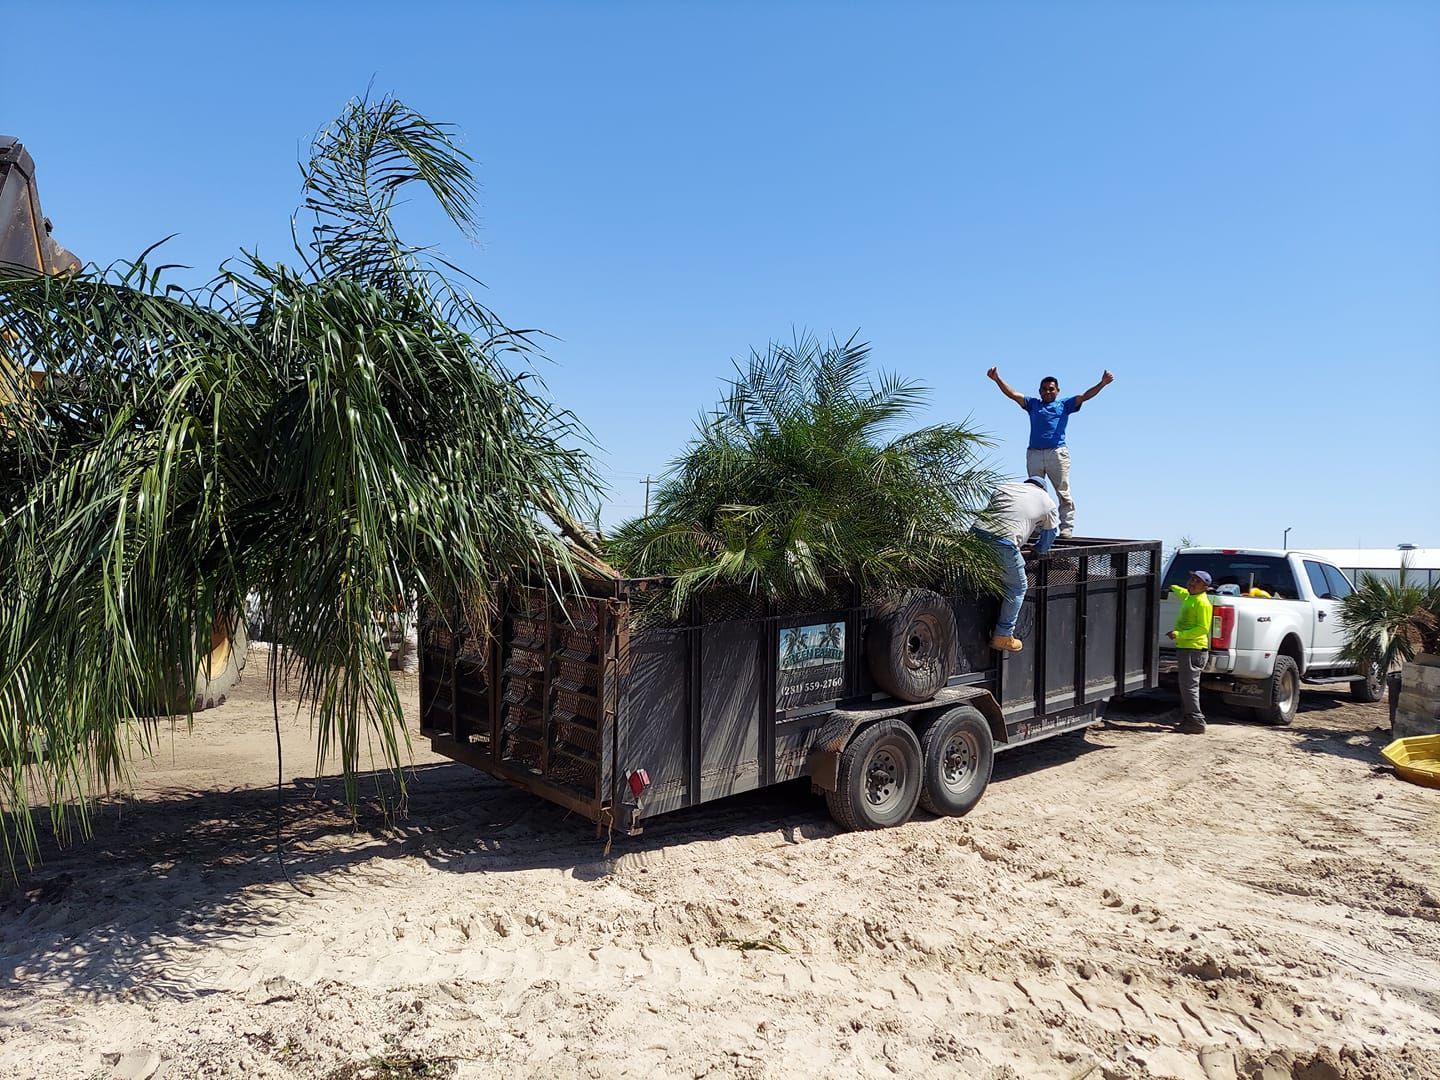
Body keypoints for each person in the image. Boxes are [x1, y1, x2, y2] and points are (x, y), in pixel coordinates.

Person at [985, 368, 1114, 538]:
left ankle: (1066, 527)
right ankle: (1037, 528)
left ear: (1057, 390)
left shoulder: (1064, 405)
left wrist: (1102, 383)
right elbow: (1013, 394)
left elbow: (1085, 396)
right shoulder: (1033, 404)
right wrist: (997, 379)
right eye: (1045, 389)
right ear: (1040, 391)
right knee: (1034, 491)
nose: (1048, 392)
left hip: (1056, 453)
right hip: (1035, 453)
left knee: (1063, 491)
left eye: (1051, 389)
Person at [971, 477, 1059, 653]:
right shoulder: (1047, 501)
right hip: (1003, 543)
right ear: (1043, 489)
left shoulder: (1007, 487)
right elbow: (1051, 533)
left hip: (976, 535)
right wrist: (1038, 549)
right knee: (1018, 586)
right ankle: (1003, 635)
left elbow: (1000, 515)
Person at [1167, 570, 1214, 734]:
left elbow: (1203, 628)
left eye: (1197, 581)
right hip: (1187, 648)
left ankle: (1196, 721)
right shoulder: (1190, 596)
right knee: (1186, 686)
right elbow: (1182, 591)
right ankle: (1190, 718)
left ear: (1205, 587)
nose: (1192, 583)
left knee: (1189, 687)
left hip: (1193, 649)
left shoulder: (1202, 603)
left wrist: (1179, 634)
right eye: (1192, 579)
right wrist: (1171, 585)